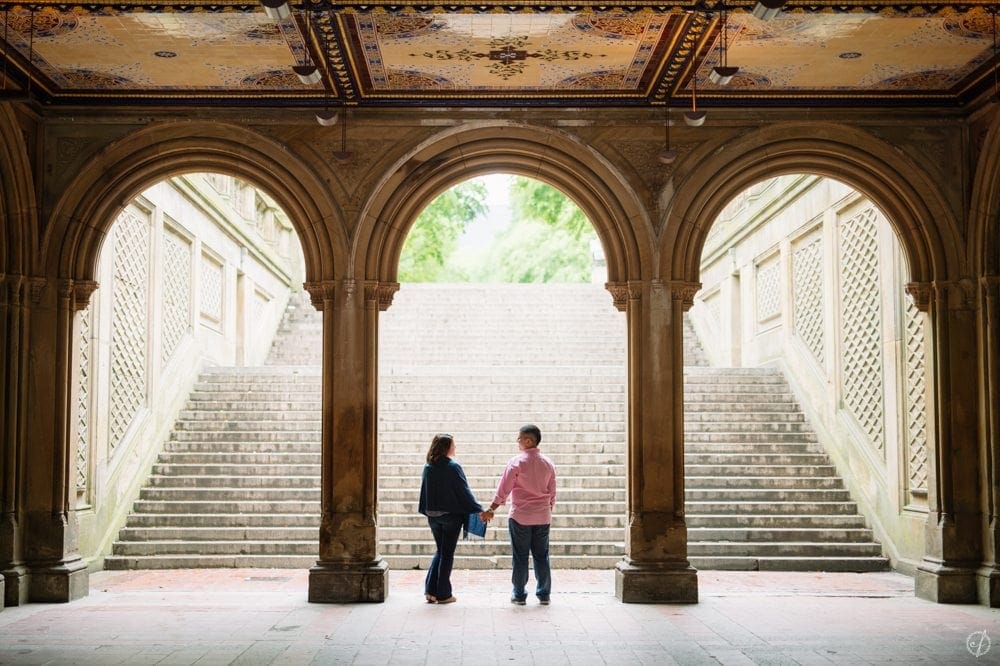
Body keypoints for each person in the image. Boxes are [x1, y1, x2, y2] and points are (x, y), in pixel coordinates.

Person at [481, 424, 557, 606]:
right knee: (542, 556)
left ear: (529, 440)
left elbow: (504, 489)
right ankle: (544, 594)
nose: (518, 441)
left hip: (520, 517)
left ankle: (519, 594)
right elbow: (552, 492)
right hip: (543, 517)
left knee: (520, 556)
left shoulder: (517, 462)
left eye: (520, 438)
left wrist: (491, 509)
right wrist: (547, 509)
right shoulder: (548, 463)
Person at [418, 433, 484, 604]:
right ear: (446, 447)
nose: (455, 448)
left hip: (433, 517)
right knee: (447, 554)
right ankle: (444, 594)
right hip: (450, 518)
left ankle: (430, 591)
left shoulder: (428, 466)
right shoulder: (453, 467)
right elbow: (464, 492)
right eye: (453, 445)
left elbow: (424, 494)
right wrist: (479, 510)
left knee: (441, 551)